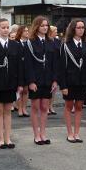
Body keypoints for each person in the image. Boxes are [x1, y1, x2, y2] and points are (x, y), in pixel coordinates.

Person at [0, 18, 24, 149]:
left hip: (11, 83)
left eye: (7, 27)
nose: (6, 30)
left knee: (8, 111)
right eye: (3, 27)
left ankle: (8, 138)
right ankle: (1, 139)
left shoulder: (16, 45)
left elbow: (20, 66)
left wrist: (20, 84)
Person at [57, 19, 86, 143]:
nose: (81, 30)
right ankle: (70, 133)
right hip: (70, 81)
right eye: (78, 27)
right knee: (68, 106)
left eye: (83, 28)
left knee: (79, 106)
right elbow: (62, 67)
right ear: (73, 29)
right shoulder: (66, 45)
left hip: (83, 81)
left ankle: (77, 133)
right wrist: (63, 85)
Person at [25, 16, 58, 145]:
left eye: (46, 25)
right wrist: (31, 81)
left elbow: (55, 63)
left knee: (44, 107)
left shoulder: (51, 42)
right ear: (37, 26)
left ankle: (43, 134)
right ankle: (36, 135)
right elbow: (28, 64)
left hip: (48, 80)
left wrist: (55, 80)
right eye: (42, 25)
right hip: (36, 80)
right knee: (35, 107)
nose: (45, 27)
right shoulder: (30, 43)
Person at [14, 24, 31, 117]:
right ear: (20, 32)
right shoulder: (16, 43)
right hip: (18, 70)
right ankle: (19, 108)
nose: (27, 32)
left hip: (27, 70)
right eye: (25, 31)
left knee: (26, 90)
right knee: (20, 90)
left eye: (28, 31)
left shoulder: (29, 43)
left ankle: (24, 108)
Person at [47, 25, 60, 115]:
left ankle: (51, 105)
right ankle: (46, 107)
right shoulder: (47, 41)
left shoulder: (58, 41)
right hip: (48, 66)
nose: (56, 32)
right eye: (55, 31)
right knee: (48, 88)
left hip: (56, 65)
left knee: (54, 88)